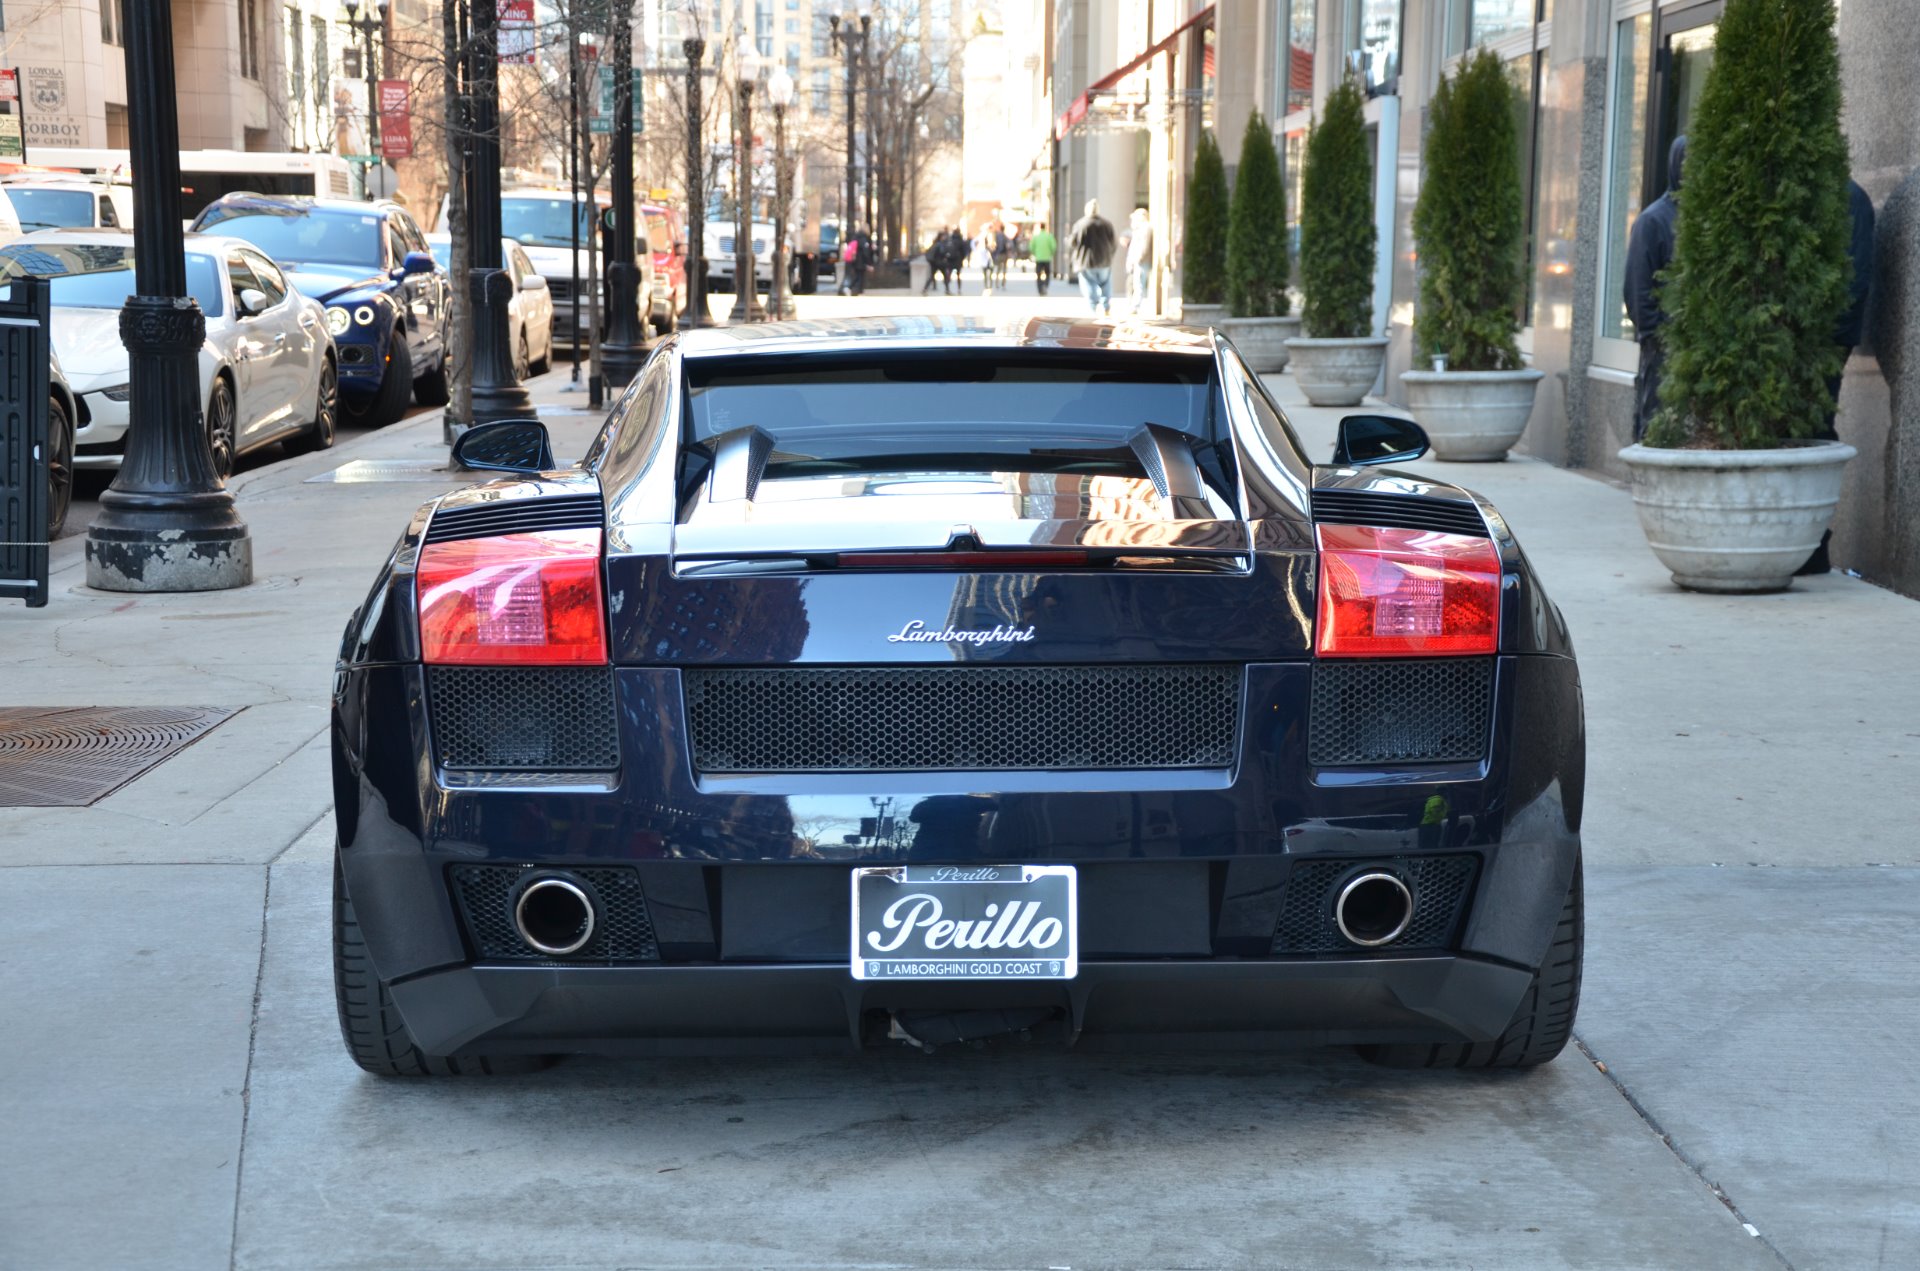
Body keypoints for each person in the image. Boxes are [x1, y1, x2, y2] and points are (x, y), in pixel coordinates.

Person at [1797, 178, 1878, 575]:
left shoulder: (1848, 198)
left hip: (1825, 342)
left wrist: (1826, 337)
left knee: (1815, 431)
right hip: (1805, 341)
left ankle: (1814, 547)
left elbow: (1854, 279)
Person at [1624, 136, 1687, 441]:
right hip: (1661, 343)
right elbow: (1637, 287)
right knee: (1655, 418)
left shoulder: (1702, 219)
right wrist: (1653, 334)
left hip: (1694, 344)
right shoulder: (1652, 221)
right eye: (1686, 163)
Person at [1066, 198, 1118, 316]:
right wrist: (1110, 255)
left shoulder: (1080, 224)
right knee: (1105, 284)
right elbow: (1114, 243)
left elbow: (1072, 243)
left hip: (1086, 261)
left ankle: (1094, 308)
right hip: (1104, 260)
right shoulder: (1107, 224)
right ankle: (1106, 307)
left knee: (1089, 285)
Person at [1125, 207, 1154, 315]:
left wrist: (1138, 258)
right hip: (1138, 260)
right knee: (1137, 283)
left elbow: (1144, 246)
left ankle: (1135, 306)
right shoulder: (1140, 228)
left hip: (1141, 261)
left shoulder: (1146, 228)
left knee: (1139, 284)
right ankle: (1134, 305)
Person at [1029, 222, 1056, 296]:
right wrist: (1050, 253)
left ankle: (1040, 289)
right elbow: (1053, 246)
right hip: (1047, 258)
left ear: (1040, 228)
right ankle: (1045, 285)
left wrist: (1035, 253)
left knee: (1038, 274)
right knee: (1047, 274)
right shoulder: (1049, 236)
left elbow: (1031, 247)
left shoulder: (1036, 237)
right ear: (1045, 227)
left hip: (1039, 258)